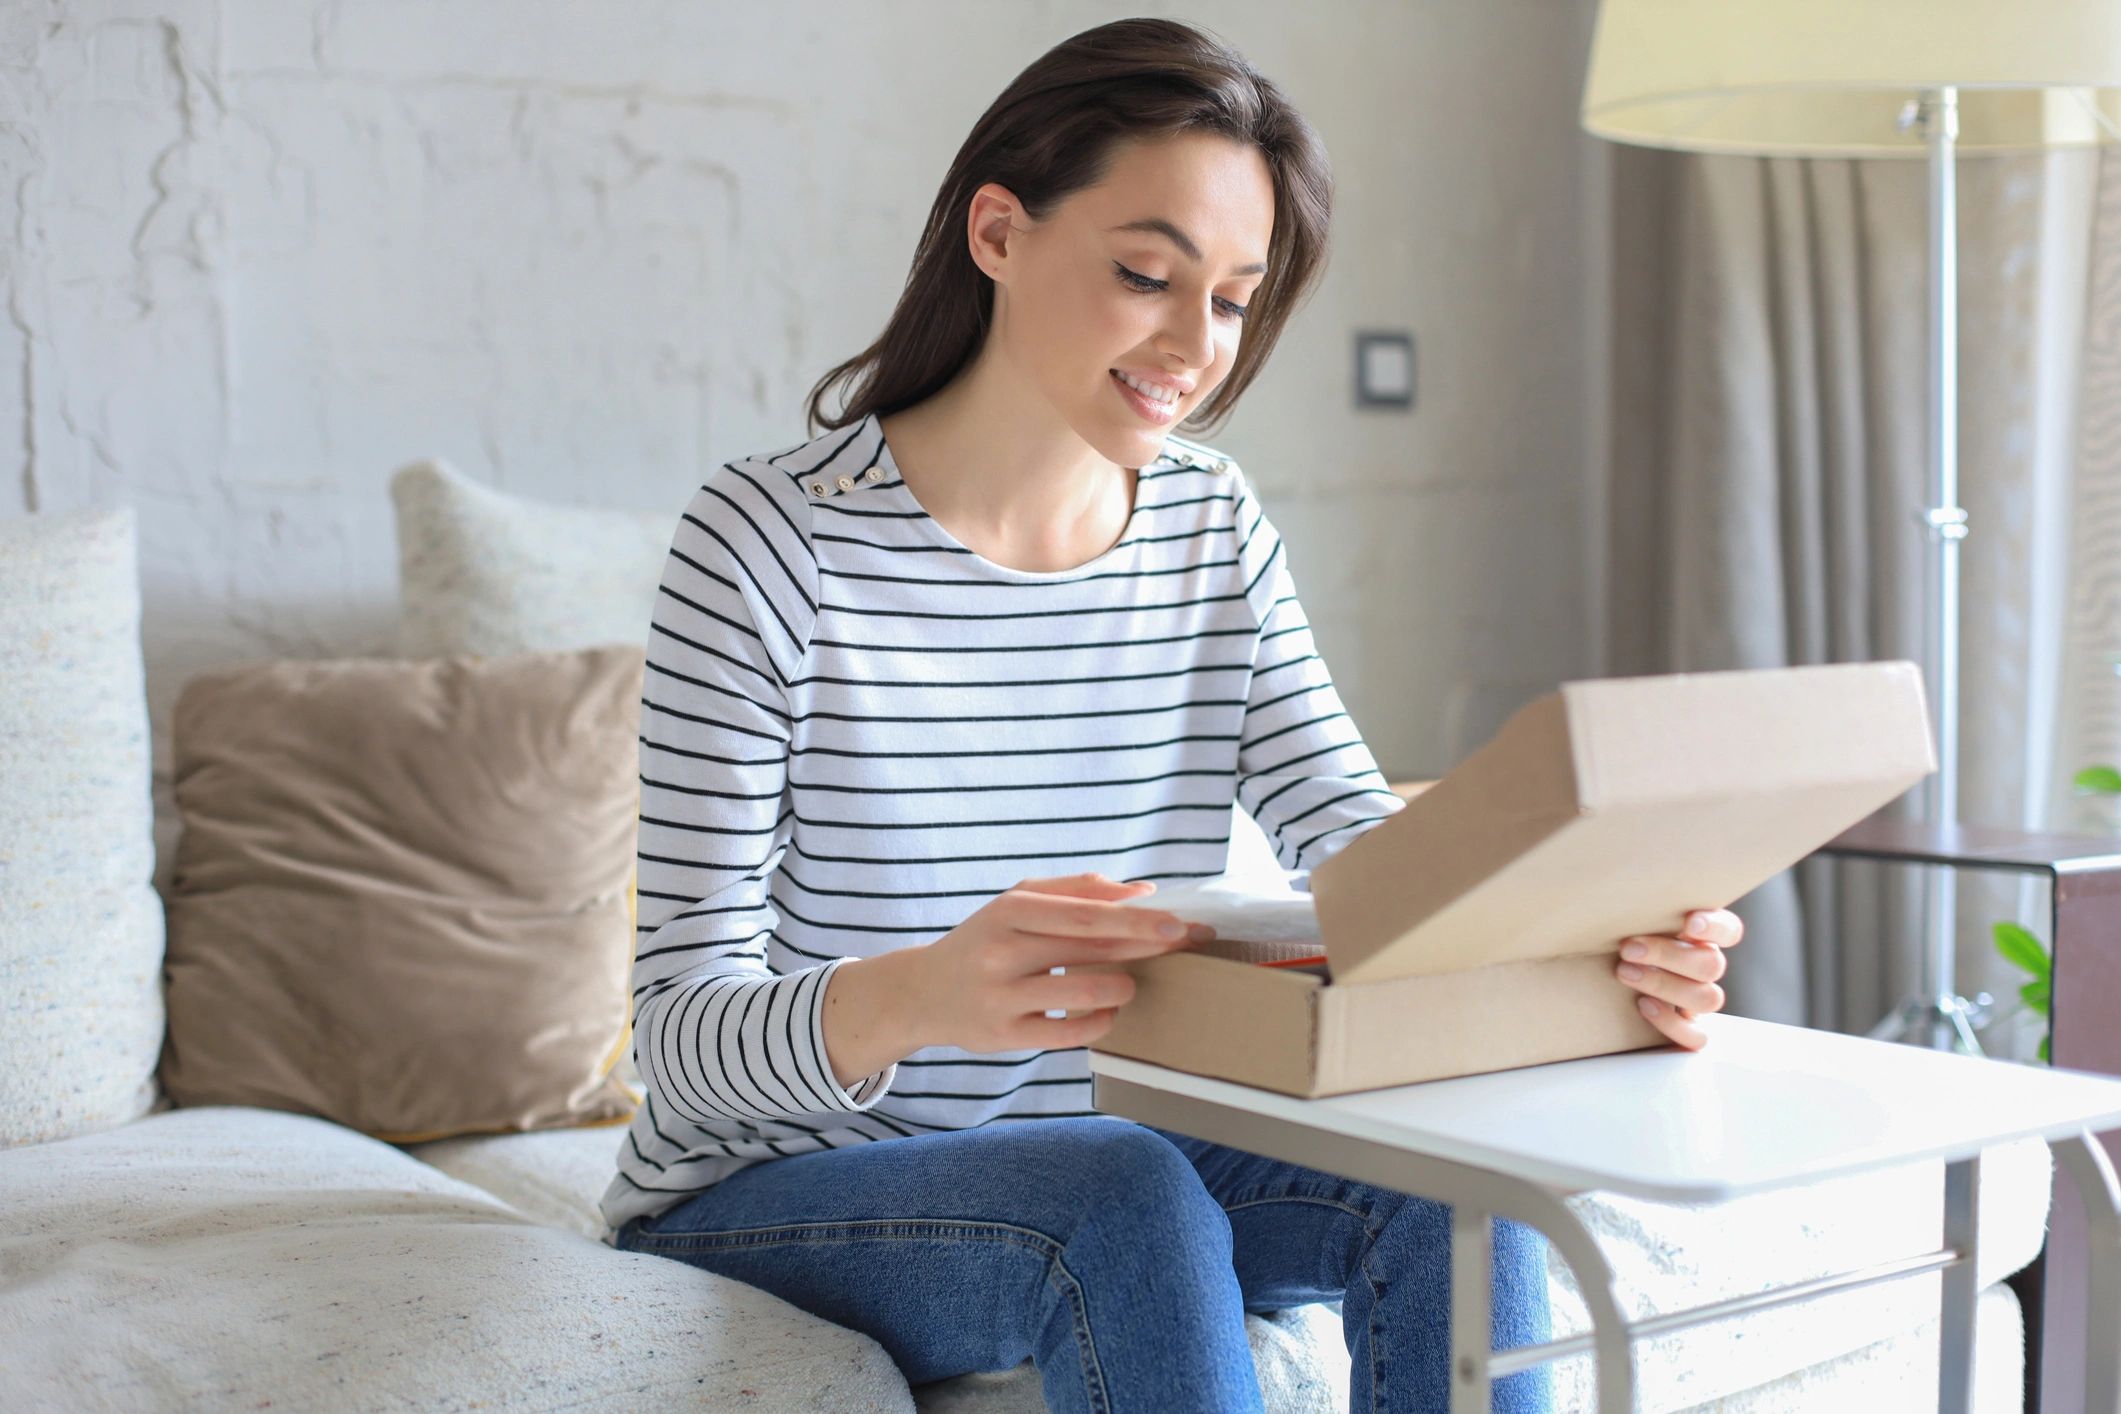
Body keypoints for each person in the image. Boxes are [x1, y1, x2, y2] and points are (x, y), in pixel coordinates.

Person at [597, 17, 1743, 1412]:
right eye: (1148, 274)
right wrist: (924, 992)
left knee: (1453, 1185)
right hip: (778, 1186)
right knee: (1120, 1186)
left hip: (1117, 1147)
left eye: (1232, 297)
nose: (1194, 344)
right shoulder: (769, 541)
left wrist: (1591, 937)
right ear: (998, 232)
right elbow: (679, 1035)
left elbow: (1359, 850)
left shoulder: (1209, 523)